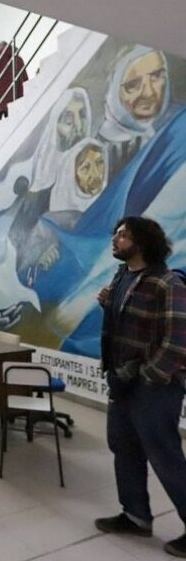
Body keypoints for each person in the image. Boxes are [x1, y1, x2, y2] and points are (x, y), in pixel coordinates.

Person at [94, 217, 186, 558]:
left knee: (165, 455)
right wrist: (109, 302)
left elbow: (177, 342)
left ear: (143, 241)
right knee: (123, 447)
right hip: (122, 381)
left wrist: (148, 377)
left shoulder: (168, 282)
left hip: (154, 387)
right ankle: (135, 515)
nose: (115, 240)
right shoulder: (123, 278)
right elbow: (130, 323)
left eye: (122, 234)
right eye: (114, 233)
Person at [98, 47, 172, 178]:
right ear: (114, 91)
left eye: (156, 76)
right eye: (132, 85)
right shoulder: (99, 153)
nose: (148, 93)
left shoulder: (169, 133)